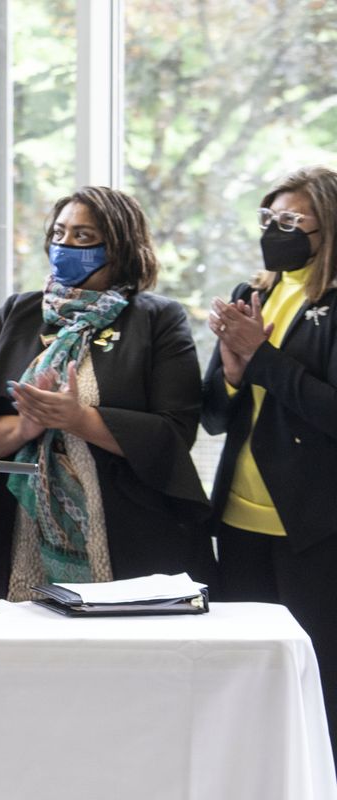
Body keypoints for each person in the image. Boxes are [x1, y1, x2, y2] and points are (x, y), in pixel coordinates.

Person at [0, 186, 214, 601]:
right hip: (14, 528)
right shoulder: (17, 313)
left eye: (83, 236)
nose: (65, 245)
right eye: (59, 233)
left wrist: (78, 420)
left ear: (121, 246)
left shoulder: (158, 318)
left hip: (129, 535)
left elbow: (176, 433)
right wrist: (24, 426)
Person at [203, 165, 337, 754]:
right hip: (239, 521)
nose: (275, 230)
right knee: (246, 681)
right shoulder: (251, 292)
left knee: (318, 681)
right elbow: (210, 413)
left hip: (313, 526)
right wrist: (234, 376)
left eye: (291, 221)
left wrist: (259, 357)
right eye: (268, 219)